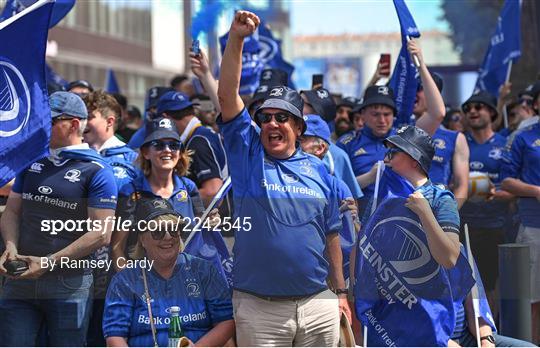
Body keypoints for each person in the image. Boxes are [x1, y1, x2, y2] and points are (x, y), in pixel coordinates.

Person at [217, 10, 350, 346]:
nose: (272, 124)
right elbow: (227, 96)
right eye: (266, 118)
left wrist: (341, 292)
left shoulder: (321, 170)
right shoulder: (248, 155)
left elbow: (331, 234)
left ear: (299, 128)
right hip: (260, 309)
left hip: (318, 303)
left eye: (282, 118)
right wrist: (237, 39)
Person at [0, 91, 117, 346]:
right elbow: (12, 211)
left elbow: (102, 234)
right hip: (20, 278)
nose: (41, 126)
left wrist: (48, 263)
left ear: (73, 124)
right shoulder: (31, 162)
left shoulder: (97, 170)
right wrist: (10, 247)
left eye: (49, 121)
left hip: (69, 283)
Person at [103, 197, 234, 347]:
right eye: (158, 232)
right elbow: (115, 336)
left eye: (173, 230)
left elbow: (226, 322)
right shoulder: (125, 280)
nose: (167, 237)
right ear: (142, 240)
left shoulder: (203, 270)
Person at [337, 38, 445, 215]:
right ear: (362, 115)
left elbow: (437, 113)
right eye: (375, 114)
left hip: (406, 218)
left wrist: (421, 65)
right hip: (365, 224)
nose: (382, 120)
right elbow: (336, 189)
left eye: (387, 114)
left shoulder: (406, 137)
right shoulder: (347, 143)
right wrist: (370, 177)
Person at [82, 90, 139, 346]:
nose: (83, 123)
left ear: (109, 121)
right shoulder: (73, 157)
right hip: (74, 266)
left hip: (113, 269)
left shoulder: (131, 159)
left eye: (89, 117)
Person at [112, 117, 204, 272]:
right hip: (146, 281)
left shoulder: (189, 188)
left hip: (186, 279)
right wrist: (130, 282)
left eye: (174, 145)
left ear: (180, 152)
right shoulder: (131, 191)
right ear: (146, 152)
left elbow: (202, 236)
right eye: (159, 145)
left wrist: (213, 220)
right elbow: (117, 247)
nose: (167, 150)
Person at [460, 90, 515, 317]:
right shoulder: (460, 143)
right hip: (464, 226)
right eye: (469, 108)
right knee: (467, 287)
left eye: (479, 107)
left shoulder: (505, 145)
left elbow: (514, 187)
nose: (473, 111)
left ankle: (492, 335)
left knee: (493, 288)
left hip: (497, 226)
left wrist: (495, 193)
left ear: (492, 113)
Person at [384, 125, 461, 268]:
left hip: (428, 287)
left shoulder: (441, 198)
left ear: (415, 159)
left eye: (393, 152)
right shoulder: (384, 193)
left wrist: (425, 212)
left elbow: (450, 258)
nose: (386, 159)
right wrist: (355, 221)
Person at [501, 117, 540, 345]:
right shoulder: (523, 136)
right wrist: (536, 190)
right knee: (533, 301)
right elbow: (506, 181)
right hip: (535, 227)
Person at [156, 91, 229, 211]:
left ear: (166, 118)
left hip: (219, 224)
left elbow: (212, 192)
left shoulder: (198, 141)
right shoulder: (202, 135)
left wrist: (169, 200)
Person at [414, 70, 469, 208]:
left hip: (437, 213)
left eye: (419, 89)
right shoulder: (396, 132)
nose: (413, 94)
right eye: (411, 89)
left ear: (435, 94)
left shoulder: (455, 138)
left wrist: (447, 217)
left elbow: (461, 186)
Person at [301, 87, 364, 201]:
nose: (296, 105)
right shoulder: (284, 142)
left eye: (302, 103)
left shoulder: (337, 155)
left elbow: (351, 200)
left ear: (317, 113)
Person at [127, 86, 174, 150]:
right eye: (151, 108)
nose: (153, 111)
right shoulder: (141, 136)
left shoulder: (181, 127)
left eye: (157, 107)